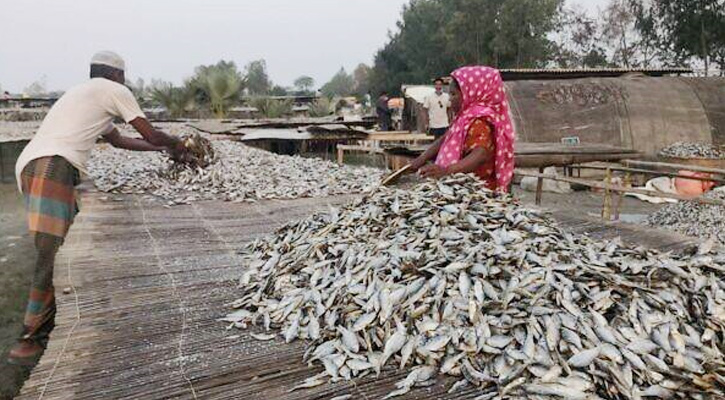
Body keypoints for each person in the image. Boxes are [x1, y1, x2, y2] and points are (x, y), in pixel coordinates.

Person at [9, 51, 188, 363]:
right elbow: (149, 132)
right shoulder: (114, 90)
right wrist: (176, 143)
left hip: (33, 165)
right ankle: (28, 339)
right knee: (52, 251)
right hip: (52, 166)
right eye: (124, 76)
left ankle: (48, 320)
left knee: (61, 244)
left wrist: (161, 149)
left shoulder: (84, 96)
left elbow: (121, 141)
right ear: (117, 75)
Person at [409, 66, 515, 192]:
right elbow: (447, 137)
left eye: (453, 94)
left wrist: (446, 171)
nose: (449, 99)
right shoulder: (465, 117)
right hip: (464, 185)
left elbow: (480, 154)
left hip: (479, 190)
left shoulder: (479, 120)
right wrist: (421, 159)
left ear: (472, 93)